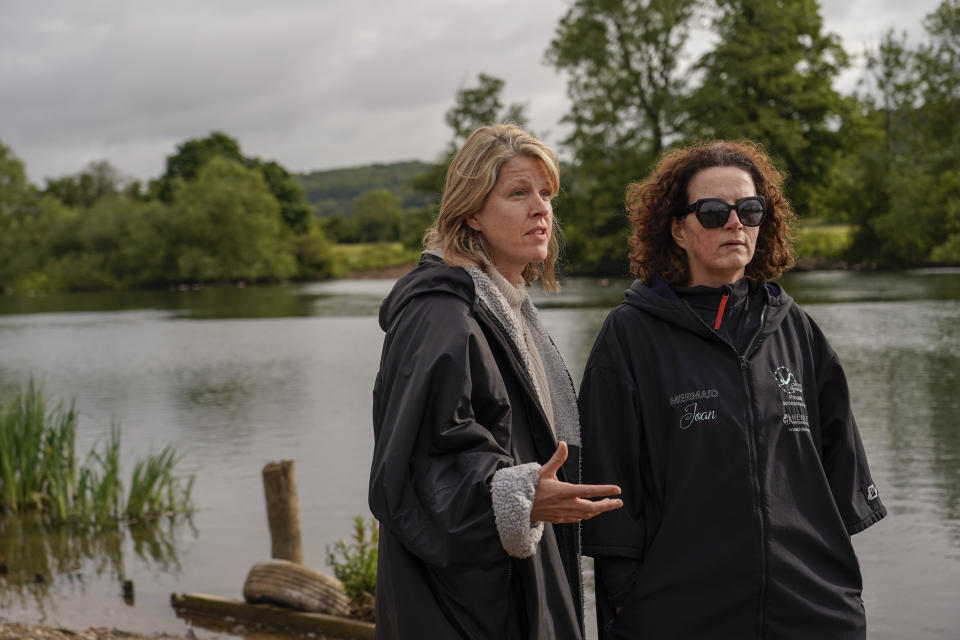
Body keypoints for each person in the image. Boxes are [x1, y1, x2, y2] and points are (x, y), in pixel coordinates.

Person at [579, 140, 887, 639]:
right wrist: (627, 606)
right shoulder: (630, 337)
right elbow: (609, 494)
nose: (734, 223)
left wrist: (840, 590)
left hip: (811, 614)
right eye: (713, 211)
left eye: (749, 209)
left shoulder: (796, 329)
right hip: (679, 617)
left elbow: (842, 477)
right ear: (677, 229)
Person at [368, 123, 623, 640]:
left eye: (546, 194)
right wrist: (516, 496)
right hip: (463, 608)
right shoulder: (439, 315)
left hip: (508, 584)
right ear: (472, 213)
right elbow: (415, 472)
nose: (541, 209)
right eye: (518, 193)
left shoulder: (504, 308)